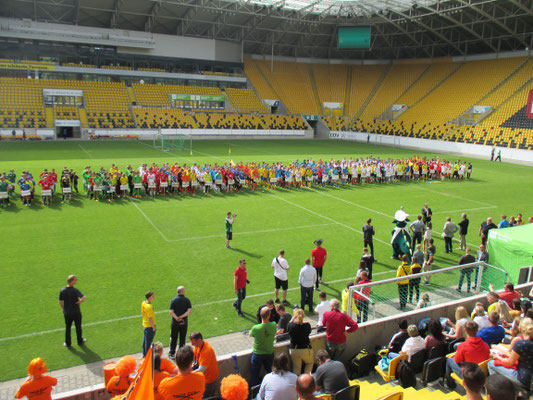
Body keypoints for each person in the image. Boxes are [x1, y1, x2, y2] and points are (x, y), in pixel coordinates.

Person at [488, 324, 533, 393]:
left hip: (524, 379)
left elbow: (510, 362)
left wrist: (498, 357)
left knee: (490, 363)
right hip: (529, 377)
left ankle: (497, 390)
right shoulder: (523, 344)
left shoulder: (521, 344)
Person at [444, 321, 489, 389]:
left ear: (465, 330)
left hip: (469, 376)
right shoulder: (486, 345)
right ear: (477, 330)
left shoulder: (463, 346)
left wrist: (457, 354)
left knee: (449, 360)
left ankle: (450, 385)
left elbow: (457, 360)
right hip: (480, 373)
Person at [249, 307, 277, 386]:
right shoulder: (273, 325)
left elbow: (250, 334)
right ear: (269, 315)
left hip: (257, 353)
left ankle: (254, 394)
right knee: (271, 374)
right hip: (269, 353)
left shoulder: (256, 328)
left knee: (254, 374)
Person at [58, 274, 86, 347]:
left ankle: (67, 343)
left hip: (67, 313)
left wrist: (63, 309)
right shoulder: (75, 290)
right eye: (75, 279)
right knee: (78, 327)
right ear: (72, 281)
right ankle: (80, 341)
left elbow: (60, 302)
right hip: (76, 312)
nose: (76, 281)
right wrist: (80, 301)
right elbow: (84, 297)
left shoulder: (62, 290)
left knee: (68, 328)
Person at [190, 331, 219, 398]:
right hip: (204, 378)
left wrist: (188, 374)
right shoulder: (199, 346)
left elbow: (201, 369)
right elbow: (193, 357)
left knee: (206, 397)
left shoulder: (206, 351)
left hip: (209, 380)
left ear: (199, 340)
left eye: (193, 342)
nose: (191, 344)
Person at [288, 308, 314, 374]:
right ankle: (306, 379)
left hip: (294, 350)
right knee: (310, 363)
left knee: (296, 368)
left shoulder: (291, 326)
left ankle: (297, 382)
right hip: (305, 349)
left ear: (295, 316)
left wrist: (293, 318)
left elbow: (289, 324)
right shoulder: (307, 325)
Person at [168, 286, 192, 358]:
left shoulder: (173, 300)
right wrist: (182, 317)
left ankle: (172, 352)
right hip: (184, 322)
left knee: (173, 337)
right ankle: (181, 353)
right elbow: (189, 311)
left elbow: (171, 312)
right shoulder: (187, 300)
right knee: (182, 337)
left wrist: (177, 318)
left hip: (175, 322)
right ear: (183, 292)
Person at [142, 291, 156, 357]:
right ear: (149, 297)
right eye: (153, 296)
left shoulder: (143, 303)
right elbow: (150, 319)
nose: (154, 297)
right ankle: (147, 356)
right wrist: (153, 327)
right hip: (149, 326)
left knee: (145, 341)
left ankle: (144, 354)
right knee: (148, 342)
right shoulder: (149, 307)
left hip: (144, 325)